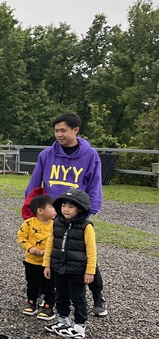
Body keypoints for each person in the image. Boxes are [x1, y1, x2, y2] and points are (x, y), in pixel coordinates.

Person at [25, 112, 108, 317]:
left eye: (63, 130)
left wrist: (91, 208)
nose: (59, 135)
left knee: (81, 255)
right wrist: (31, 207)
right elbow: (35, 182)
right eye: (56, 131)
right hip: (53, 212)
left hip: (76, 213)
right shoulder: (46, 155)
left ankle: (97, 296)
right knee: (53, 253)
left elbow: (94, 183)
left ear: (75, 130)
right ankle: (50, 294)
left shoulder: (90, 156)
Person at [43, 190, 97, 339]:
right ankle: (63, 319)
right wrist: (47, 264)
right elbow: (50, 245)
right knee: (61, 295)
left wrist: (90, 271)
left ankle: (80, 325)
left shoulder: (87, 227)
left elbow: (92, 251)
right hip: (59, 267)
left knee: (78, 297)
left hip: (77, 270)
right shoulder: (56, 223)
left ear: (80, 208)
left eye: (71, 206)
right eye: (64, 205)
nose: (66, 209)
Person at [17, 194, 57, 320]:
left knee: (49, 285)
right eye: (52, 207)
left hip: (48, 263)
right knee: (32, 283)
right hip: (31, 261)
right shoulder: (28, 223)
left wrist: (50, 251)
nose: (55, 210)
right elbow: (21, 237)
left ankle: (49, 306)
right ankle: (31, 302)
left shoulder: (55, 225)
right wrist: (31, 248)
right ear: (40, 211)